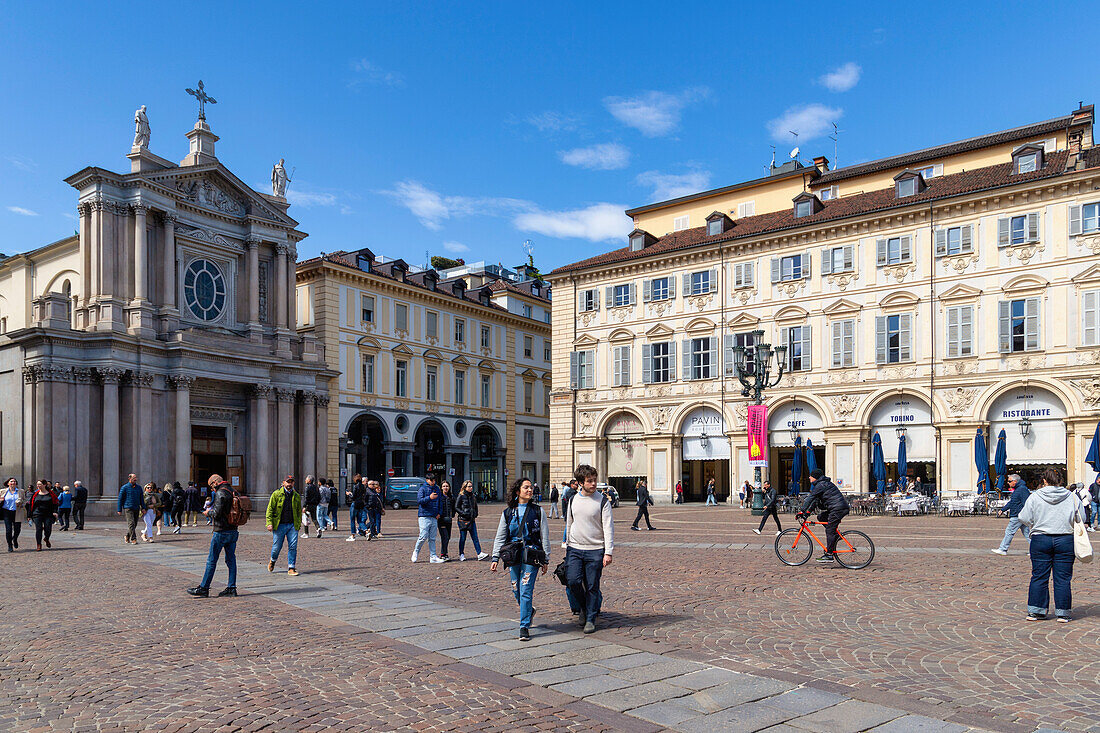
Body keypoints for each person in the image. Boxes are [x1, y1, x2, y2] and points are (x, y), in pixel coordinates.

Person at [1018, 467, 1083, 622]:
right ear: (1060, 480)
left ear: (1044, 480)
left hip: (1041, 539)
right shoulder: (1072, 497)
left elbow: (1024, 517)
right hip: (1065, 539)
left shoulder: (1035, 496)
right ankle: (1063, 612)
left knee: (1039, 576)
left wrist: (1035, 522)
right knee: (1063, 578)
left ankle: (1036, 610)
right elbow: (1082, 517)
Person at [491, 478, 551, 641]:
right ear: (518, 491)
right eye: (526, 487)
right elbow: (500, 536)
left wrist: (546, 558)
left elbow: (544, 536)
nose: (530, 490)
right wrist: (495, 556)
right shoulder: (508, 513)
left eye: (531, 487)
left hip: (531, 555)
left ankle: (524, 626)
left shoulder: (538, 511)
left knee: (525, 589)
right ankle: (529, 611)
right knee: (516, 588)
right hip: (513, 555)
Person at [564, 464, 614, 634]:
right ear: (580, 483)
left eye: (594, 480)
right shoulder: (573, 500)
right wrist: (567, 544)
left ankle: (590, 618)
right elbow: (569, 523)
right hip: (575, 548)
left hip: (595, 549)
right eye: (589, 481)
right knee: (573, 581)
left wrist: (608, 552)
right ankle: (585, 608)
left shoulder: (602, 501)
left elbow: (608, 527)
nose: (593, 484)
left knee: (592, 585)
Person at [188, 475, 241, 598]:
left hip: (221, 531)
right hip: (233, 530)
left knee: (211, 560)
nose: (212, 489)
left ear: (215, 482)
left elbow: (217, 513)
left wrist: (208, 512)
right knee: (231, 560)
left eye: (211, 486)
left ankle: (204, 587)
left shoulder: (221, 493)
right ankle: (231, 588)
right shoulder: (234, 491)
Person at [799, 469, 849, 564]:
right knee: (821, 517)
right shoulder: (822, 484)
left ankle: (829, 555)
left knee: (829, 530)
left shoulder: (821, 485)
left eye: (811, 476)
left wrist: (801, 511)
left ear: (815, 477)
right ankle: (836, 535)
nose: (809, 477)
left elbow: (810, 498)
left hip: (838, 509)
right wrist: (806, 514)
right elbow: (815, 501)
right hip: (837, 508)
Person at [265, 476, 301, 576]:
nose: (289, 484)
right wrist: (269, 523)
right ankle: (272, 560)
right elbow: (270, 509)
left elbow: (298, 510)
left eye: (291, 482)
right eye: (287, 482)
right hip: (279, 525)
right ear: (283, 483)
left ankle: (291, 567)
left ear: (293, 483)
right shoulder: (276, 494)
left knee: (293, 546)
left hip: (292, 525)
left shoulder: (296, 496)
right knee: (277, 547)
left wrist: (298, 523)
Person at [992, 474, 1031, 555]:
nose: (1008, 483)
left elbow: (1026, 503)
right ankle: (1035, 550)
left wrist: (1026, 514)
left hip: (1018, 515)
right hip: (1019, 515)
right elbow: (1012, 502)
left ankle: (1003, 549)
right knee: (1027, 533)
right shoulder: (1018, 489)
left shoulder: (1022, 489)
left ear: (1015, 481)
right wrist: (1003, 510)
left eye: (1009, 481)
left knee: (1009, 531)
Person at [412, 475, 444, 563]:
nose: (433, 482)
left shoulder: (437, 489)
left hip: (434, 516)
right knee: (423, 536)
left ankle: (433, 556)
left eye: (434, 480)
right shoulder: (422, 489)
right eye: (431, 480)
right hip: (424, 516)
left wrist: (439, 513)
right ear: (427, 480)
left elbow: (440, 502)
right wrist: (429, 498)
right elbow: (419, 501)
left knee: (432, 538)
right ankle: (416, 551)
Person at [455, 480, 489, 561]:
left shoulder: (473, 496)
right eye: (469, 486)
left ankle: (479, 553)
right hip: (463, 520)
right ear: (465, 487)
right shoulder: (461, 495)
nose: (471, 488)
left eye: (471, 486)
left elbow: (475, 506)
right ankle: (461, 554)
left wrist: (475, 514)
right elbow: (456, 507)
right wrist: (463, 513)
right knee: (463, 538)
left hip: (472, 520)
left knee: (475, 537)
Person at [28, 480, 58, 551]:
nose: (38, 486)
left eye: (40, 484)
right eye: (37, 484)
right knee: (38, 529)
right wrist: (29, 516)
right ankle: (39, 544)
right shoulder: (35, 494)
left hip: (48, 514)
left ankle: (46, 538)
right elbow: (30, 505)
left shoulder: (51, 494)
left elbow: (55, 503)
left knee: (48, 528)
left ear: (44, 485)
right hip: (37, 514)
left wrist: (55, 512)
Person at [116, 474, 143, 544]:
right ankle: (133, 538)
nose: (135, 479)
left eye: (136, 478)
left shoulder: (139, 488)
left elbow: (141, 499)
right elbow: (120, 499)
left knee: (135, 524)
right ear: (129, 478)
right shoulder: (124, 487)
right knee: (131, 523)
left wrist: (143, 507)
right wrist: (119, 509)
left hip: (136, 507)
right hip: (128, 508)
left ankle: (127, 536)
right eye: (134, 478)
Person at [3, 477, 25, 551]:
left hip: (17, 512)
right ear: (8, 483)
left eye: (14, 481)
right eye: (11, 481)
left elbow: (24, 501)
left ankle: (15, 539)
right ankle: (9, 545)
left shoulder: (21, 491)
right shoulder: (3, 491)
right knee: (8, 530)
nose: (13, 483)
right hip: (7, 512)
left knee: (17, 529)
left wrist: (21, 502)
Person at [437, 481, 456, 560]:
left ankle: (445, 553)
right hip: (441, 520)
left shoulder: (451, 496)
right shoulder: (439, 496)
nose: (445, 488)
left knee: (448, 538)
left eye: (447, 486)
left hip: (449, 520)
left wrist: (453, 514)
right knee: (445, 537)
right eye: (444, 486)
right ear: (441, 487)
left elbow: (454, 506)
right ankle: (443, 554)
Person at [345, 477, 367, 541]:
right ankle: (366, 531)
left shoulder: (356, 486)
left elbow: (353, 497)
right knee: (360, 520)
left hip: (355, 504)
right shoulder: (363, 487)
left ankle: (353, 535)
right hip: (361, 504)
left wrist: (349, 494)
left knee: (352, 520)